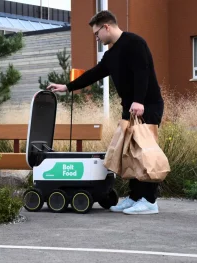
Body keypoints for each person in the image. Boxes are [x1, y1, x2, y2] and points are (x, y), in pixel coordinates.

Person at [46, 10, 164, 215]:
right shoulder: (111, 55)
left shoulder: (134, 43)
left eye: (97, 33)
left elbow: (142, 72)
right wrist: (67, 87)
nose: (97, 38)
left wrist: (138, 101)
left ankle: (149, 201)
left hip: (146, 106)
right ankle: (135, 197)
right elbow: (93, 74)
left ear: (106, 27)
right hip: (131, 109)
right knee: (131, 154)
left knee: (145, 153)